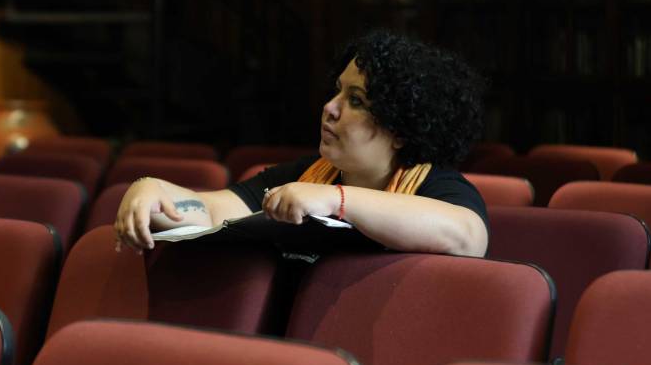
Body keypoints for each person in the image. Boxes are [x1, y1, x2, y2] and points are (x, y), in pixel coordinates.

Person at [115, 29, 489, 257]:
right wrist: (152, 190)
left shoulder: (437, 185)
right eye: (338, 92)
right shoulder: (310, 175)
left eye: (355, 101)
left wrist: (337, 201)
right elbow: (213, 213)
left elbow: (467, 238)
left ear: (402, 130)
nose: (330, 108)